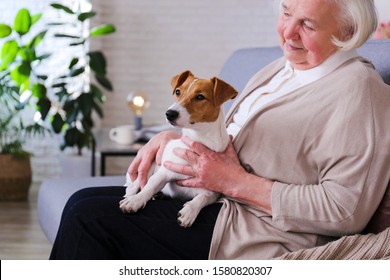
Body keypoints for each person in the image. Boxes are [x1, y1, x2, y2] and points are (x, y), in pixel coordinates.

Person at [50, 0, 390, 260]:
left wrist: (234, 182)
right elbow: (226, 136)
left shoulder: (359, 90)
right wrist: (176, 136)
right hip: (217, 203)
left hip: (256, 231)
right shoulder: (283, 67)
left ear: (345, 33)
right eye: (286, 13)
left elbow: (346, 209)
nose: (287, 33)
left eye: (308, 25)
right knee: (81, 201)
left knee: (87, 217)